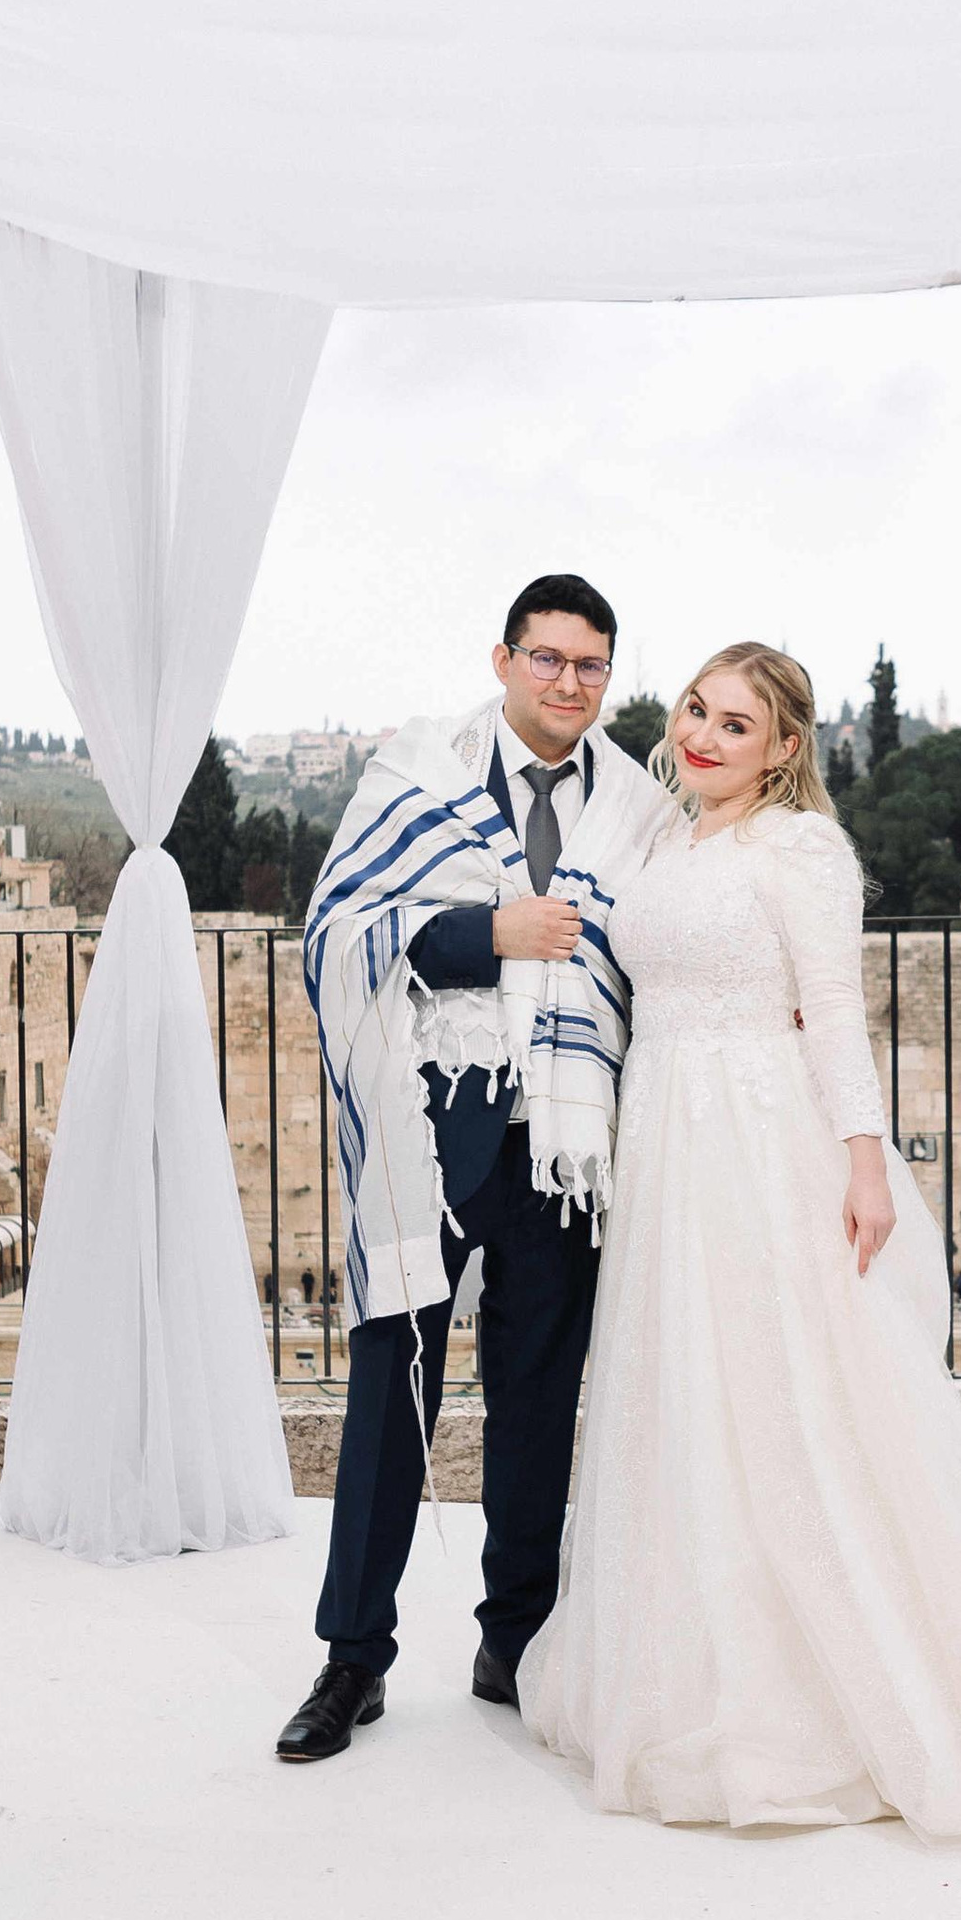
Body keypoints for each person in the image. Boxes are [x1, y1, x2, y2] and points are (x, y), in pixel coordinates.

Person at [522, 642, 961, 1838]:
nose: (702, 735)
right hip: (668, 1136)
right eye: (696, 709)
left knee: (787, 1392)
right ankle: (695, 1667)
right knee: (686, 1395)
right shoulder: (660, 840)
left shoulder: (801, 850)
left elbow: (835, 1006)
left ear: (786, 750)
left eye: (737, 725)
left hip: (756, 1135)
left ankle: (846, 1698)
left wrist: (860, 1156)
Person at [281, 574, 672, 1762]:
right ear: (503, 659)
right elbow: (338, 928)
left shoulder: (637, 806)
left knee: (538, 1403)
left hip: (565, 1147)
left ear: (609, 677)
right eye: (547, 659)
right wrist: (482, 934)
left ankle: (519, 1639)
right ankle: (353, 1659)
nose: (567, 682)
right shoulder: (419, 775)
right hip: (431, 1121)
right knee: (389, 1401)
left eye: (590, 665)